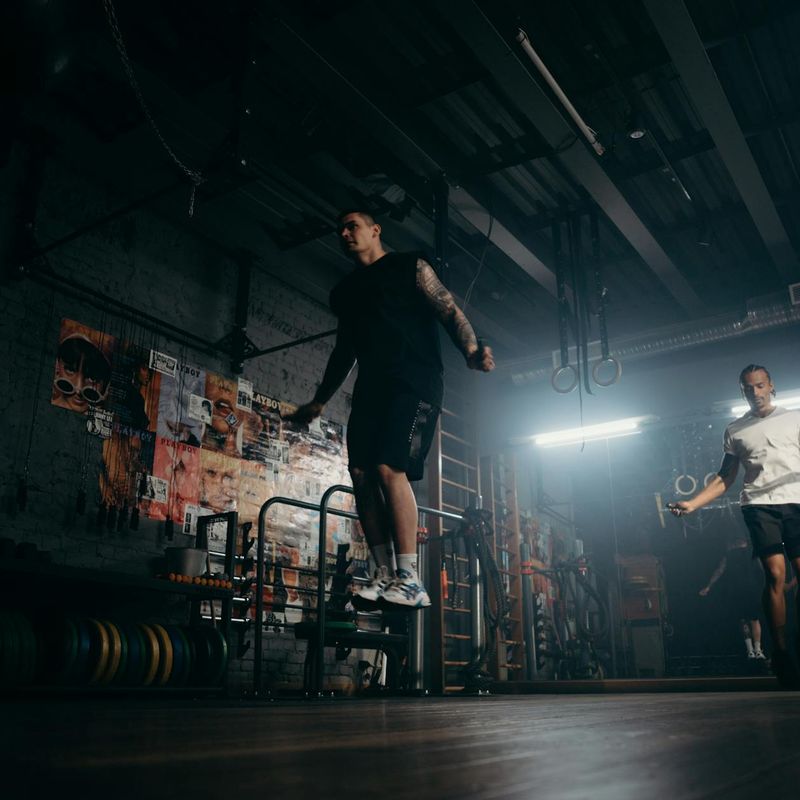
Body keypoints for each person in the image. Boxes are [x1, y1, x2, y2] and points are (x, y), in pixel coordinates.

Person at [284, 209, 495, 608]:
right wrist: (319, 400)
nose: (345, 233)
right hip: (371, 388)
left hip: (415, 382)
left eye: (353, 226)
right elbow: (344, 350)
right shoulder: (344, 292)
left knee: (387, 468)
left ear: (375, 230)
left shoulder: (409, 266)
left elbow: (448, 309)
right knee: (361, 474)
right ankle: (383, 573)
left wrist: (469, 349)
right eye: (340, 229)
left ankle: (410, 577)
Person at [669, 364, 800, 687]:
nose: (754, 393)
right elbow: (725, 477)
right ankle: (780, 651)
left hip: (796, 503)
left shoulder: (794, 418)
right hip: (759, 505)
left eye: (759, 386)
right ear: (742, 391)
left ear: (771, 386)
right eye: (748, 388)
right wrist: (693, 503)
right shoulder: (736, 430)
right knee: (775, 574)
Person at [699, 532, 766, 661]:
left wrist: (708, 586)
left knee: (743, 620)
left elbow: (719, 571)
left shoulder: (729, 555)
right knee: (755, 620)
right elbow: (761, 569)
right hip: (751, 590)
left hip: (737, 591)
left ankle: (750, 650)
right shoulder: (752, 552)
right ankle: (757, 650)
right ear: (745, 541)